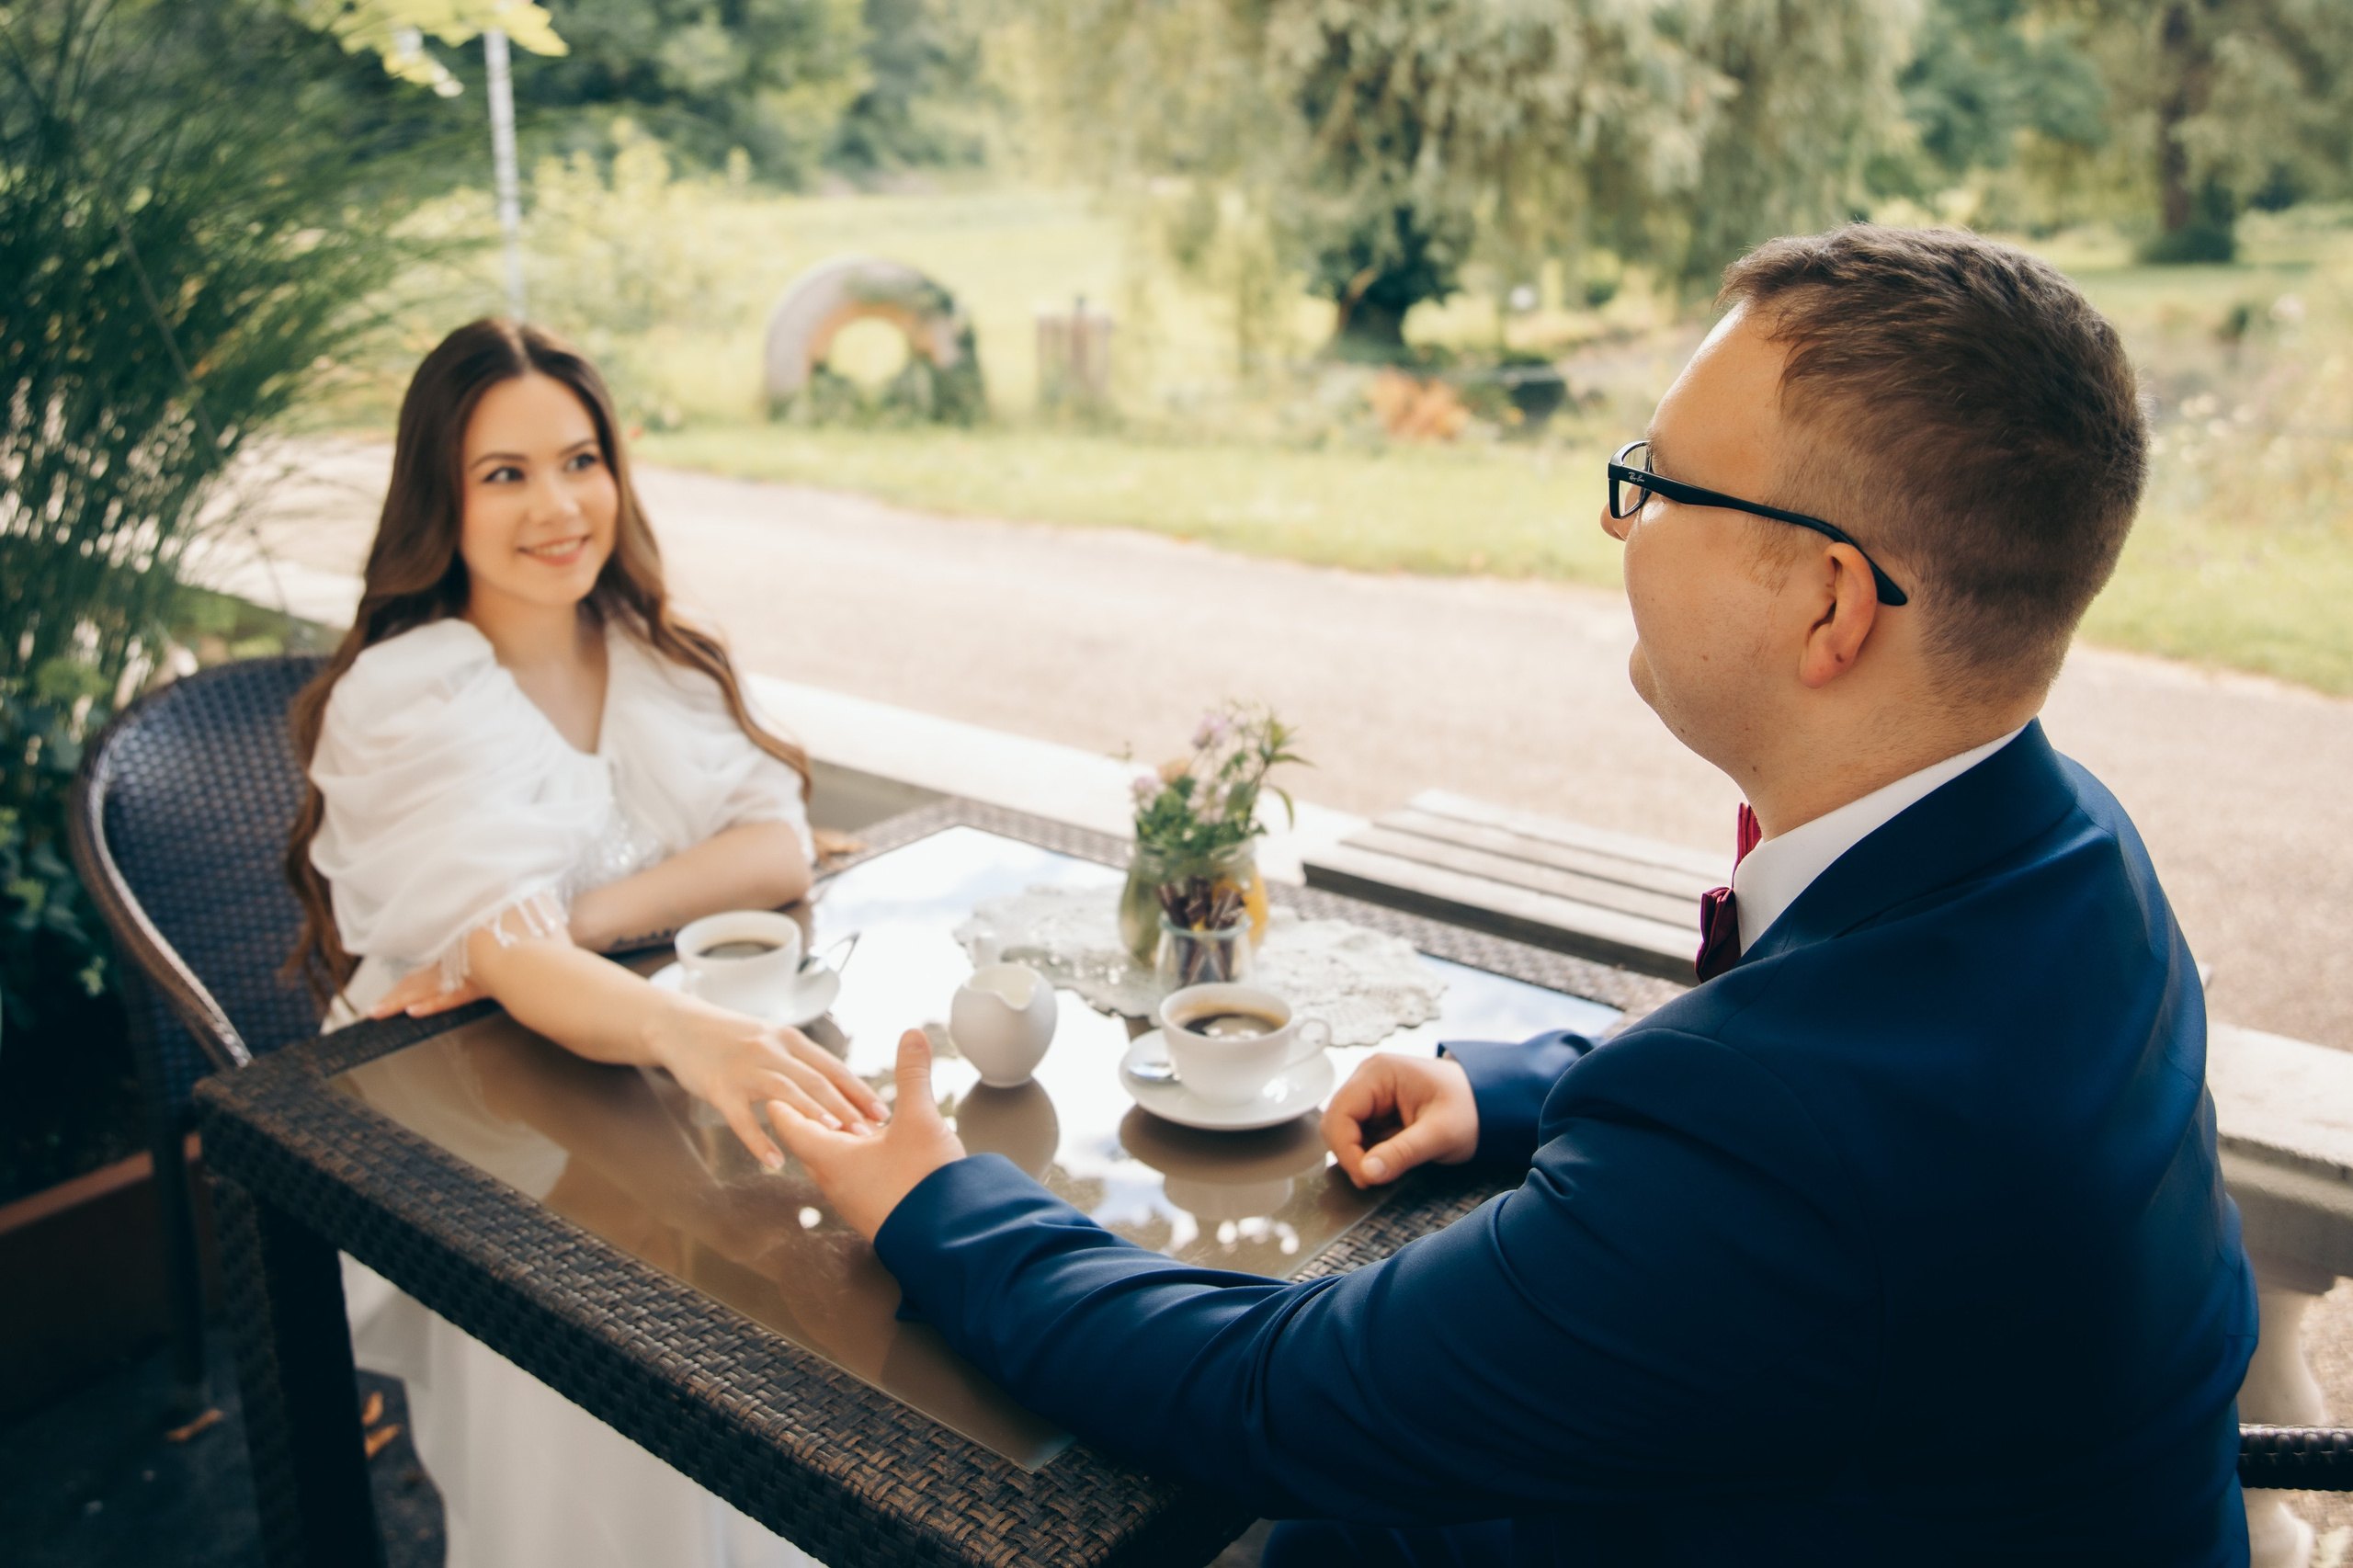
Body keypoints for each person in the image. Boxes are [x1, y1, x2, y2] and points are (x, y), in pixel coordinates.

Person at [770, 227, 2259, 1565]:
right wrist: (1517, 1086)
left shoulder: (1776, 1134)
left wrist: (938, 1203)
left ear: (1830, 603)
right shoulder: (2070, 852)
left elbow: (1267, 1390)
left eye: (1658, 484)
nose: (1620, 525)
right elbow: (1852, 1096)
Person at [284, 318, 887, 1568]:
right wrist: (664, 1016)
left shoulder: (648, 651)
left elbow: (772, 846)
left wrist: (582, 919)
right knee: (619, 1413)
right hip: (476, 1127)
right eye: (504, 474)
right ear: (436, 500)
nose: (558, 505)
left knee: (786, 1341)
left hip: (630, 1081)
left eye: (581, 459)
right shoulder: (411, 692)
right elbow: (514, 970)